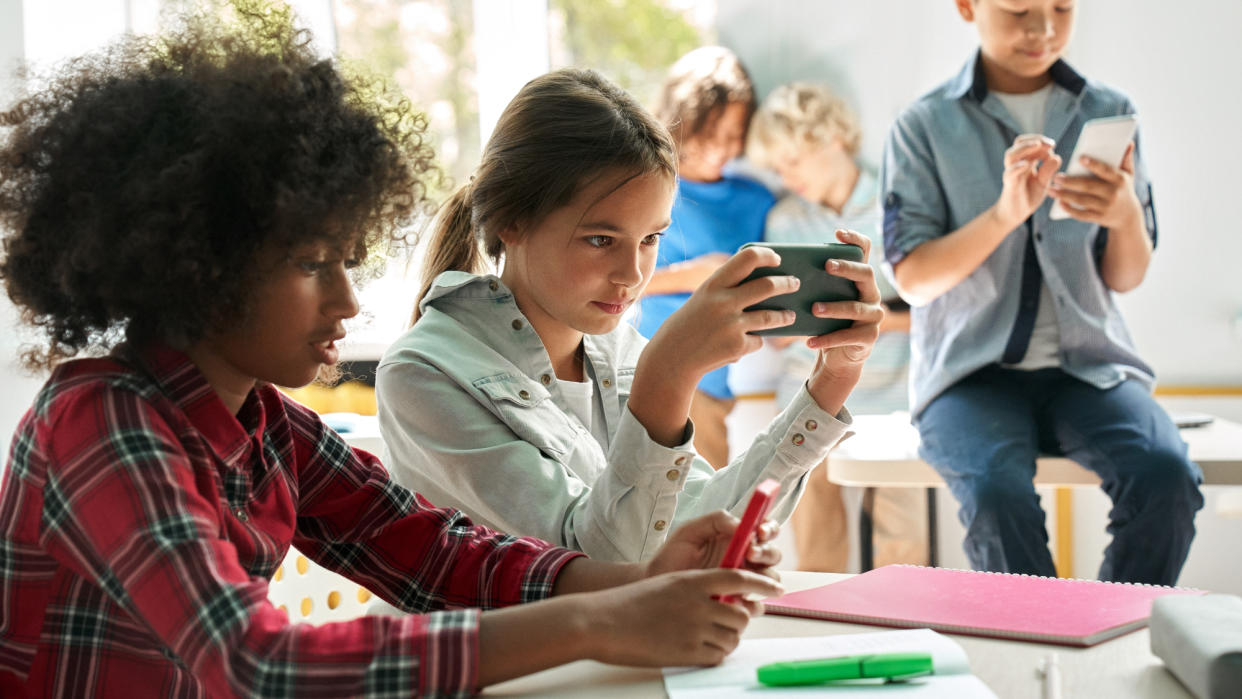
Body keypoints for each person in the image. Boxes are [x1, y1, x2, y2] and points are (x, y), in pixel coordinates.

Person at [0, 7, 789, 696]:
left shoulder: (271, 427)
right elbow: (256, 666)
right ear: (199, 266)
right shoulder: (97, 421)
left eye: (347, 259)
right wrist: (594, 618)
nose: (347, 300)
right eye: (312, 264)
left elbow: (437, 554)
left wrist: (638, 583)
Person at [375, 68, 885, 562]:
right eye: (601, 239)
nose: (632, 275)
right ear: (512, 220)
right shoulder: (423, 376)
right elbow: (605, 569)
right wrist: (668, 374)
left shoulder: (616, 349)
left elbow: (703, 526)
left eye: (650, 239)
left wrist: (831, 382)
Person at [880, 0, 1203, 584]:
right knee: (997, 497)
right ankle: (1037, 649)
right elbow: (913, 279)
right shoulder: (923, 125)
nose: (1044, 29)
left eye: (1061, 7)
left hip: (1090, 369)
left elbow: (1125, 277)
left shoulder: (1109, 111)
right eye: (1020, 9)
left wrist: (1126, 215)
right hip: (968, 377)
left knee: (1166, 475)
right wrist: (1005, 214)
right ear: (967, 7)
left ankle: (1106, 639)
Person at [748, 82, 927, 572]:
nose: (786, 175)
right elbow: (779, 327)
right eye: (778, 166)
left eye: (794, 160)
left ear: (832, 140)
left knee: (903, 545)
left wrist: (871, 320)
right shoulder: (785, 219)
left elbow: (934, 309)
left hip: (892, 402)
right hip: (806, 397)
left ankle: (902, 635)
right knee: (815, 540)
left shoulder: (900, 205)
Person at [636, 46, 774, 469]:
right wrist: (696, 275)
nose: (722, 148)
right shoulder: (648, 186)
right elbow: (618, 280)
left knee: (704, 508)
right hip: (652, 366)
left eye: (734, 134)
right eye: (711, 132)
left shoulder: (756, 201)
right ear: (682, 120)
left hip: (718, 379)